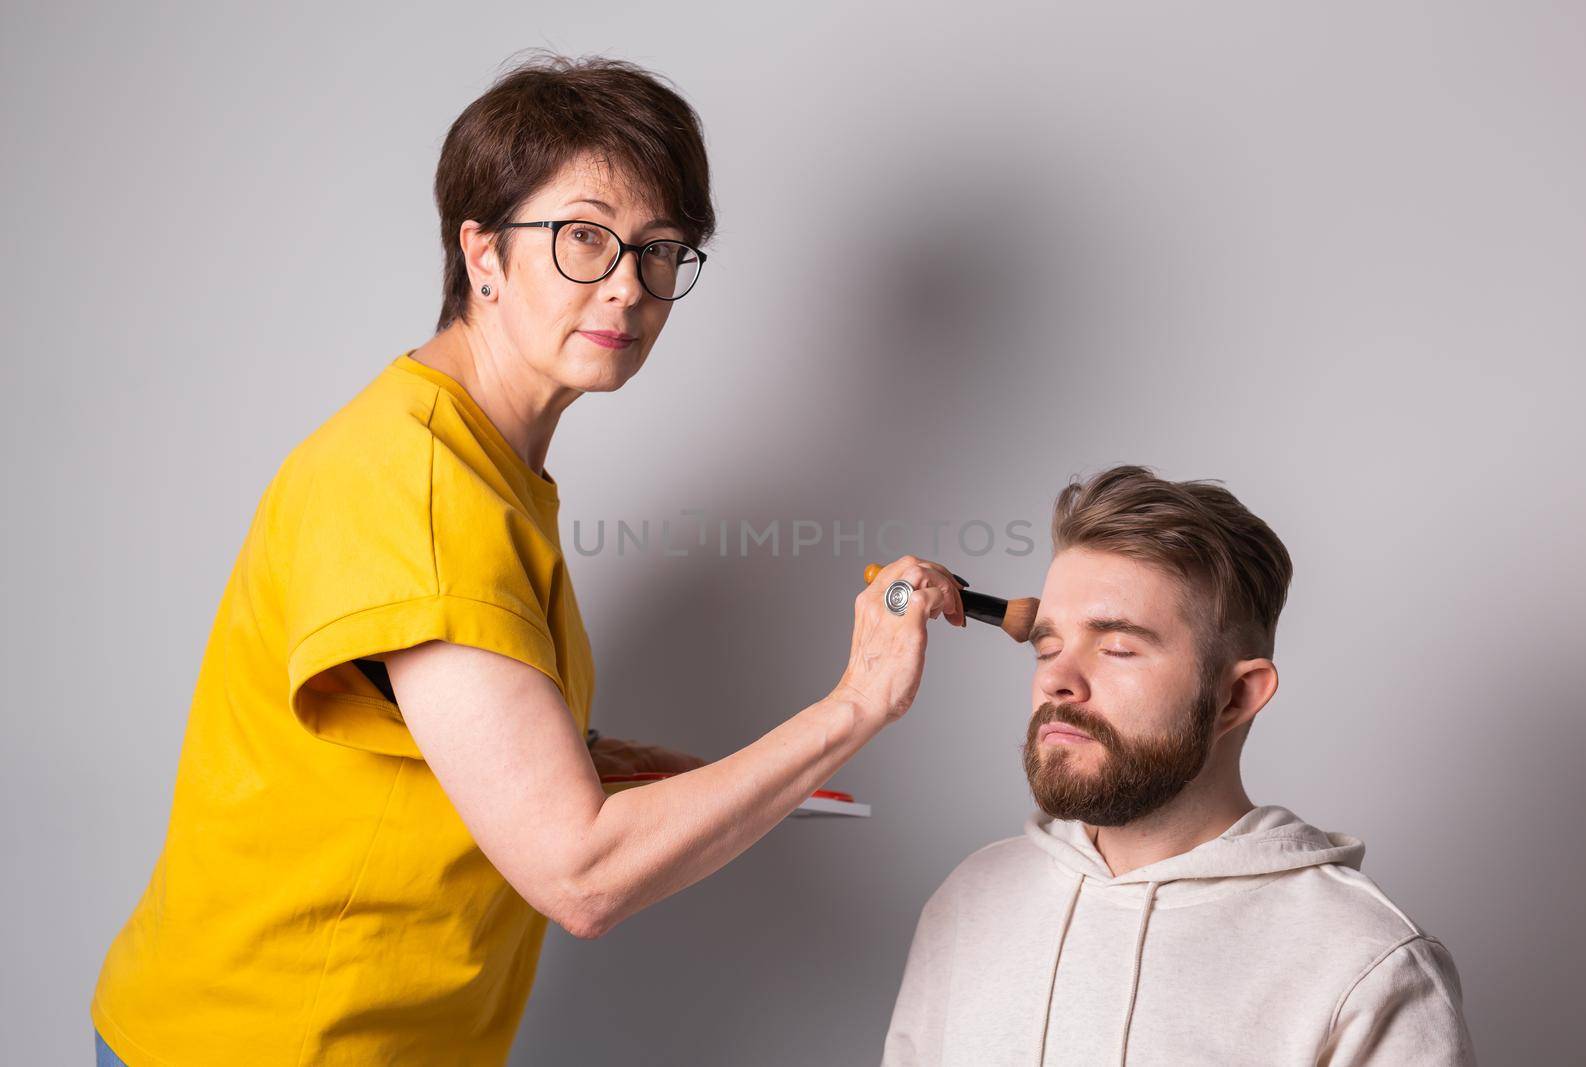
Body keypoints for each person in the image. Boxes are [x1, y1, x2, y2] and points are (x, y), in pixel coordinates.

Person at [90, 53, 966, 1066]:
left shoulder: (476, 461)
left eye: (660, 249)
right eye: (584, 238)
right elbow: (579, 874)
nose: (629, 286)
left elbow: (428, 739)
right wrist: (856, 702)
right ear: (484, 253)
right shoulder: (420, 486)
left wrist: (582, 758)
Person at [882, 465, 1475, 1065]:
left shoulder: (1367, 963)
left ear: (1236, 697)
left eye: (1117, 648)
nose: (1056, 680)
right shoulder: (969, 900)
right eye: (1047, 647)